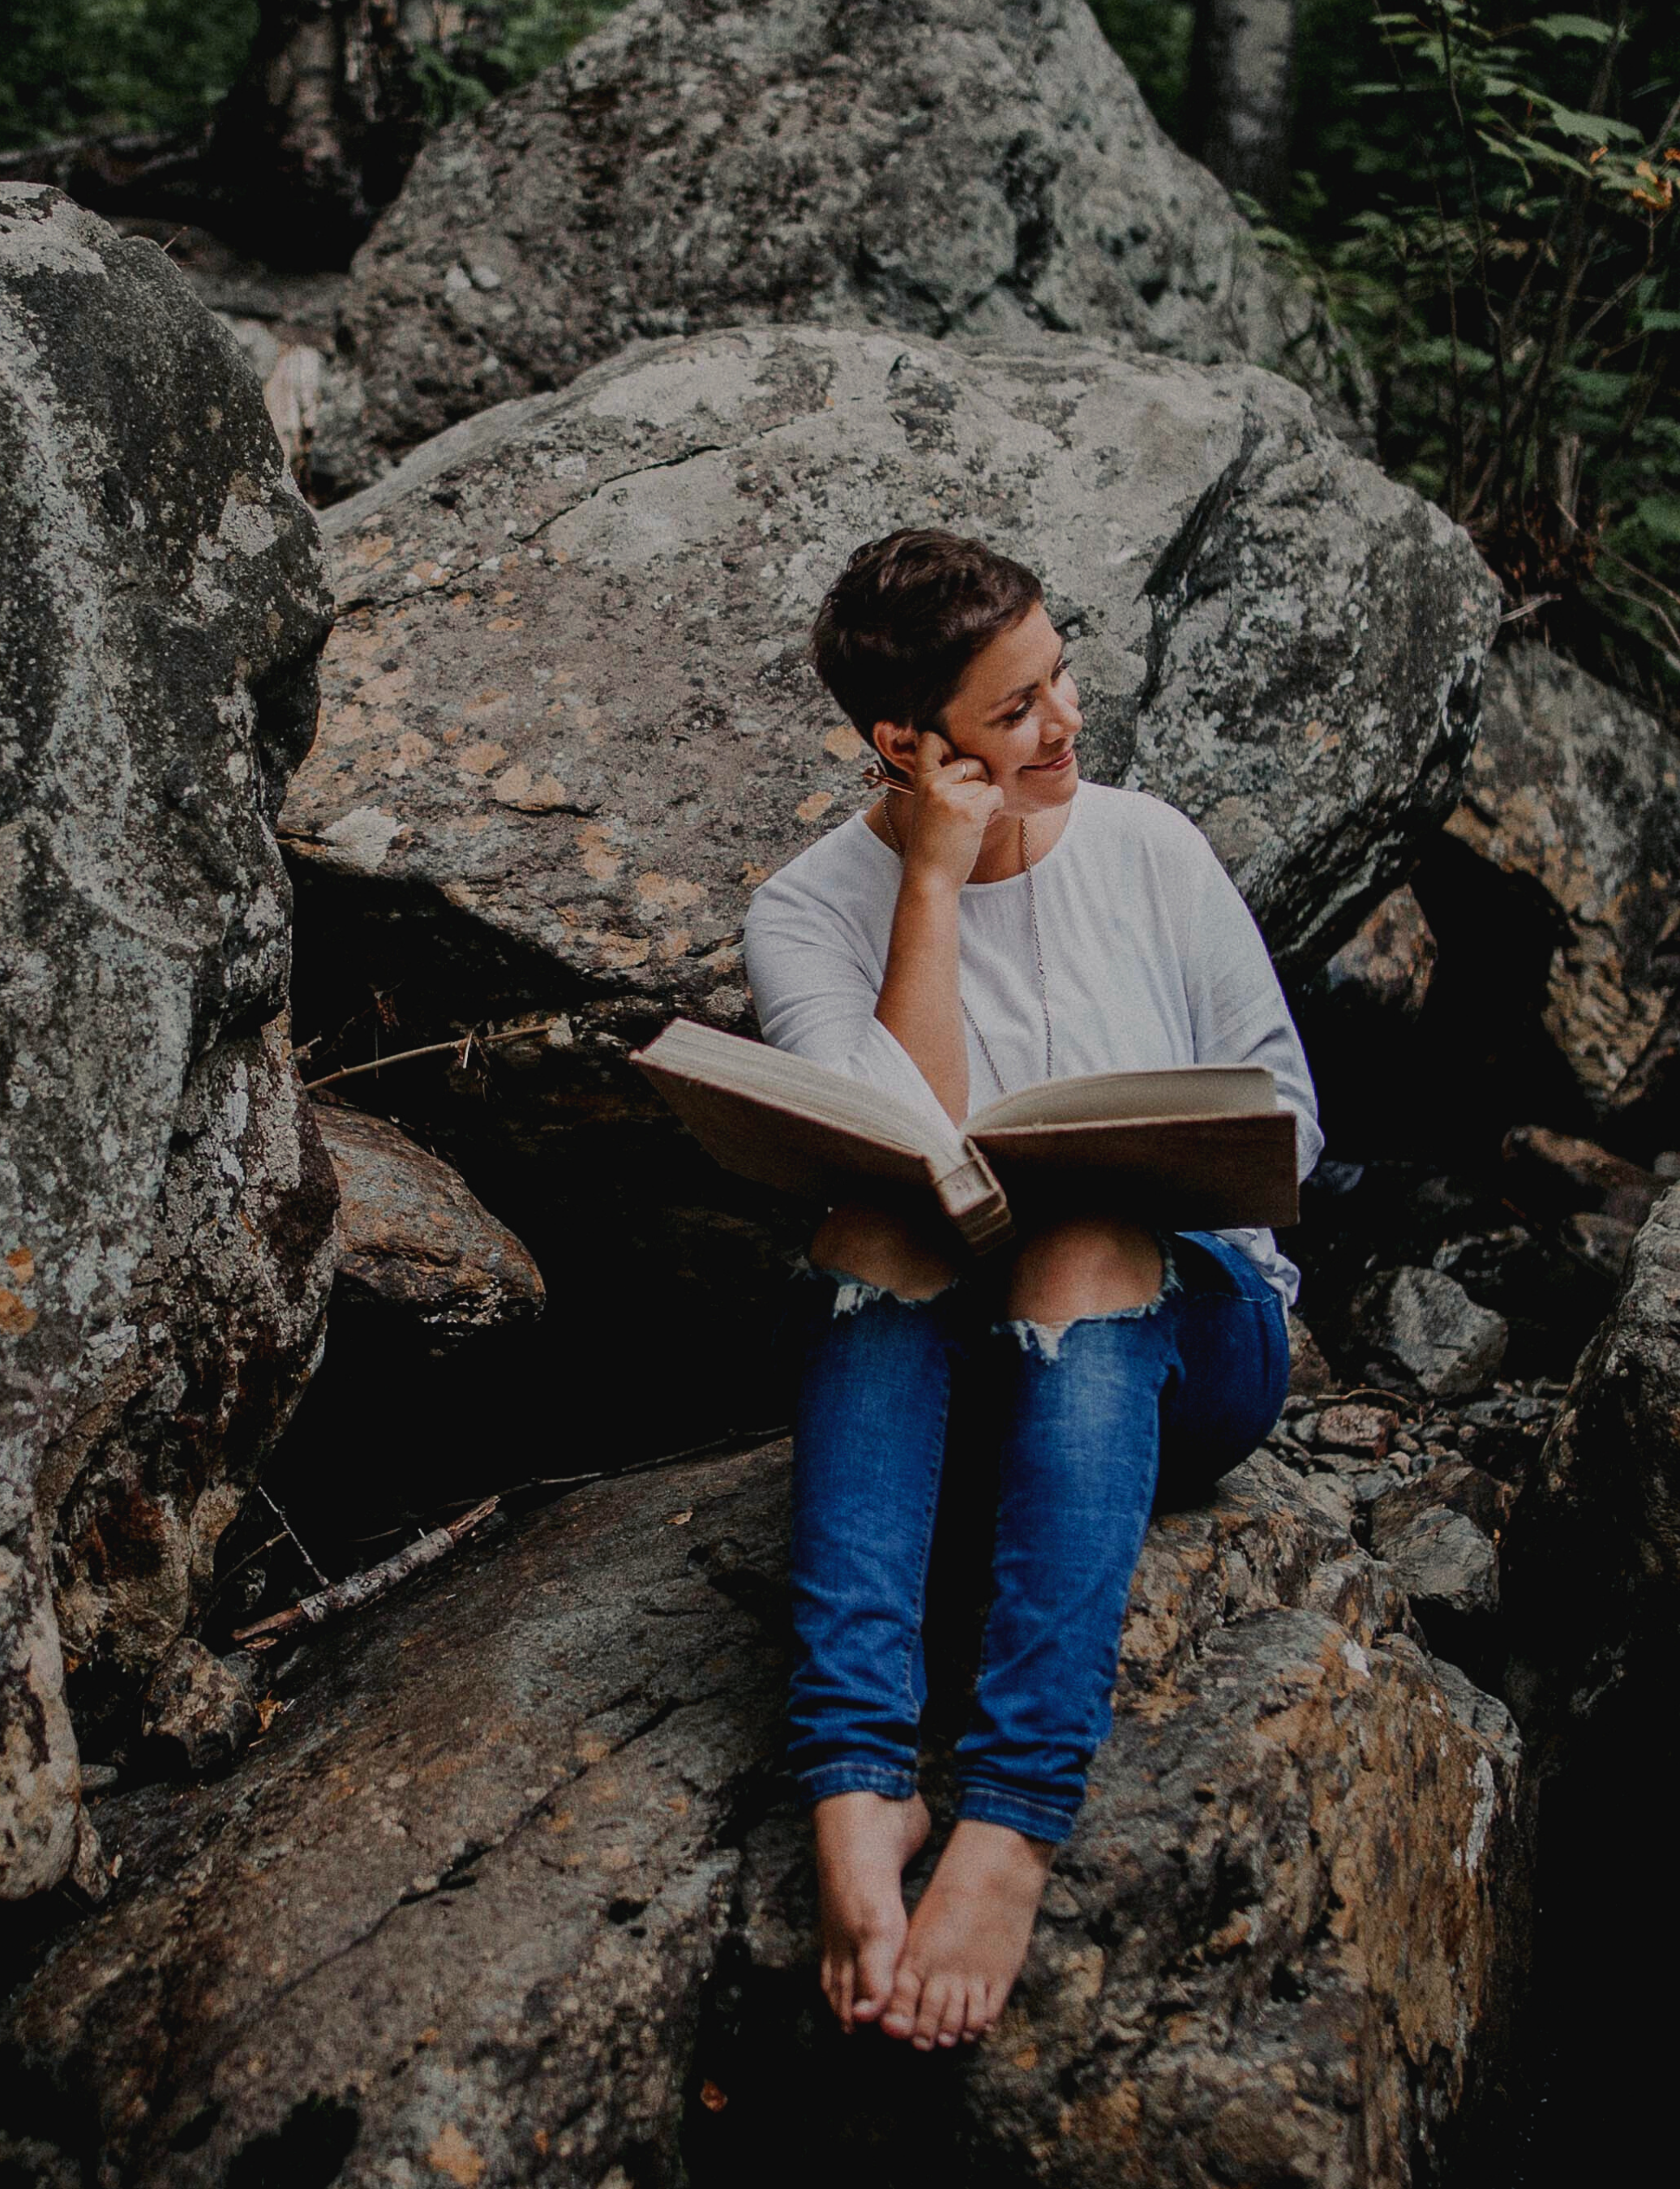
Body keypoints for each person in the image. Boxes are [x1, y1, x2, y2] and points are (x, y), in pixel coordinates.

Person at [744, 528, 1319, 2052]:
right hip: (957, 1367)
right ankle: (859, 1784)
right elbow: (905, 1150)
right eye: (1015, 712)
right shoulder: (808, 912)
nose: (1066, 724)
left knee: (1082, 1239)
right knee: (876, 1232)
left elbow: (1291, 1126)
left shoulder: (1150, 847)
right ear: (904, 744)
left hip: (1180, 1342)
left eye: (1060, 674)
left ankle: (1010, 1815)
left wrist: (1146, 1172)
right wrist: (932, 884)